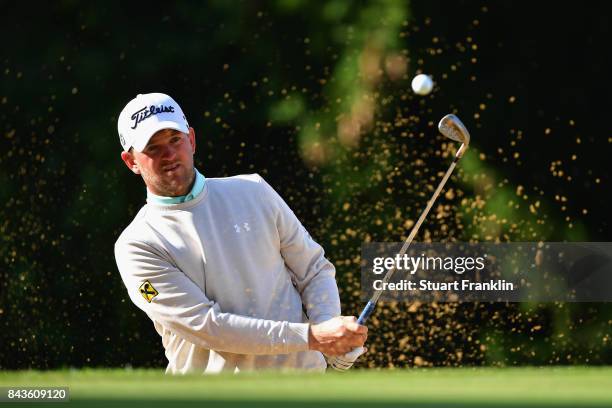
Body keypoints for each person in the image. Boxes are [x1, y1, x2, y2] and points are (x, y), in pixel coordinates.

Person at [114, 93, 367, 373]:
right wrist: (314, 338)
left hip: (304, 386)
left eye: (175, 139)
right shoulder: (138, 244)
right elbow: (207, 326)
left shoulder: (254, 191)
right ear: (131, 162)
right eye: (153, 147)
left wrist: (328, 329)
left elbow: (313, 269)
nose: (169, 154)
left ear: (192, 140)